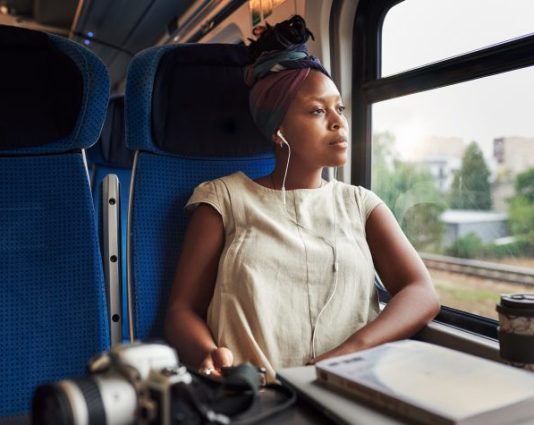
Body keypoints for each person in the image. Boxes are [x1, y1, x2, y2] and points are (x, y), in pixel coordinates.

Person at [165, 15, 440, 382]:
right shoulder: (224, 200)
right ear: (277, 128)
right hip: (257, 395)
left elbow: (422, 292)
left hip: (346, 387)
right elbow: (182, 311)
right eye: (317, 111)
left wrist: (351, 352)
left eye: (339, 109)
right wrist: (210, 354)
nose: (338, 122)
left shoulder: (361, 204)